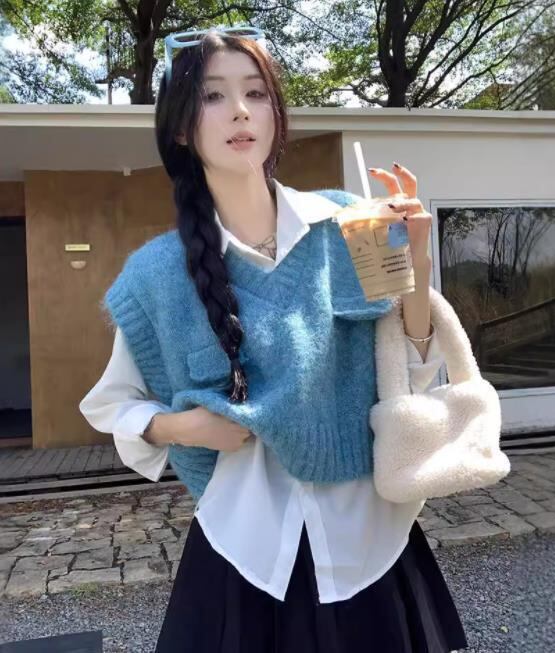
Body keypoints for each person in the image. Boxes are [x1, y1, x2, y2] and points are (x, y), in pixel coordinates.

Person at [79, 24, 469, 653]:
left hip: (369, 539)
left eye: (256, 93)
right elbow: (112, 405)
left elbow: (414, 375)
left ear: (276, 115)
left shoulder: (350, 223)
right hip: (242, 551)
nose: (239, 110)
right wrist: (185, 427)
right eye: (213, 95)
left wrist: (416, 268)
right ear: (180, 129)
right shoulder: (156, 275)